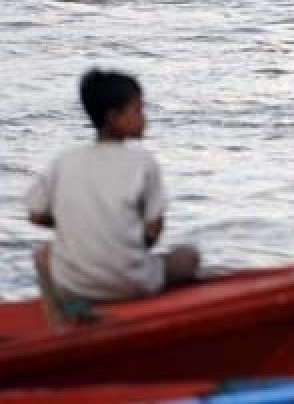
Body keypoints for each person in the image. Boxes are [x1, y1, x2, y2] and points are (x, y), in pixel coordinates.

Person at [25, 70, 200, 326]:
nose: (144, 118)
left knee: (44, 256)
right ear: (113, 117)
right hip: (134, 282)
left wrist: (81, 226)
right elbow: (153, 231)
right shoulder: (143, 162)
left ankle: (65, 319)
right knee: (188, 257)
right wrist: (124, 237)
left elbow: (36, 215)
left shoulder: (66, 161)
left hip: (80, 288)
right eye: (138, 110)